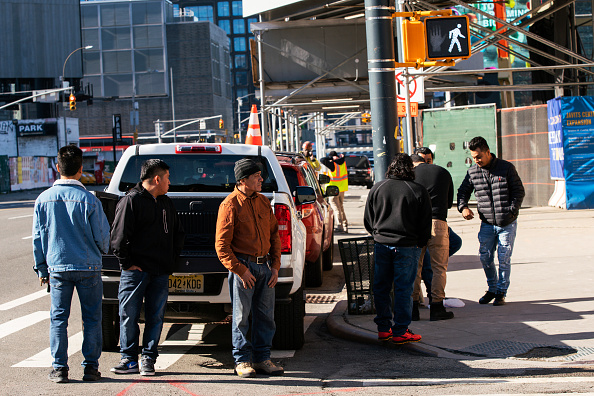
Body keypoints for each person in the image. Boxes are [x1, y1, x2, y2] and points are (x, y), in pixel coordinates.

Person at [33, 145, 110, 383]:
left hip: (57, 268)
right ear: (80, 170)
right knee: (92, 319)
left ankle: (59, 369)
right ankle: (90, 368)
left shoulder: (43, 199)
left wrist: (41, 268)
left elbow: (38, 238)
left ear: (57, 168)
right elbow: (103, 238)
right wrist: (99, 252)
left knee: (58, 319)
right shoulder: (90, 201)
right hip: (88, 267)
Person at [110, 159, 185, 376]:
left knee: (155, 316)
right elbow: (118, 238)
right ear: (157, 178)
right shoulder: (131, 201)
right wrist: (127, 264)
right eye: (168, 177)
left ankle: (148, 360)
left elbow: (178, 234)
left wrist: (171, 261)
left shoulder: (165, 203)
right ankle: (129, 359)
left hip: (160, 272)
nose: (170, 182)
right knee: (129, 315)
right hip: (136, 273)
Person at [215, 158, 284, 378]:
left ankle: (262, 359)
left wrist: (275, 266)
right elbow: (221, 246)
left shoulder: (263, 201)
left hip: (264, 267)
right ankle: (242, 361)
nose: (261, 179)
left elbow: (275, 235)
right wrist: (240, 270)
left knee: (266, 316)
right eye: (257, 176)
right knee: (241, 317)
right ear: (243, 180)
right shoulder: (230, 204)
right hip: (243, 268)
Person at [364, 153, 432, 344]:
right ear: (410, 169)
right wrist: (421, 241)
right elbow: (425, 222)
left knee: (381, 287)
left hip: (381, 244)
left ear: (390, 168)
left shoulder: (378, 188)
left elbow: (368, 219)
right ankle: (401, 330)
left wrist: (377, 234)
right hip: (408, 245)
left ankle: (384, 328)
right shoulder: (418, 190)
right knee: (404, 289)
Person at [457, 136, 525, 306]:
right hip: (487, 223)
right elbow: (463, 192)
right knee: (485, 257)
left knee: (504, 258)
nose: (476, 160)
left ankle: (501, 291)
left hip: (506, 223)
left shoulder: (506, 168)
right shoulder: (473, 172)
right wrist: (463, 207)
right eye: (473, 157)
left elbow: (519, 191)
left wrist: (512, 210)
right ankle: (492, 288)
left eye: (479, 156)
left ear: (488, 152)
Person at [410, 154, 455, 321]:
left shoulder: (410, 175)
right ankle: (437, 307)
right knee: (439, 268)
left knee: (415, 267)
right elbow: (449, 202)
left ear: (412, 163)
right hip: (438, 223)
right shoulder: (442, 172)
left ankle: (413, 308)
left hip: (416, 225)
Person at [321, 151, 348, 232]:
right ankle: (345, 225)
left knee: (336, 208)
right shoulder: (343, 162)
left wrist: (331, 159)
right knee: (341, 208)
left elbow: (322, 160)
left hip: (333, 190)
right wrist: (341, 158)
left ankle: (339, 226)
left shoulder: (333, 164)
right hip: (342, 189)